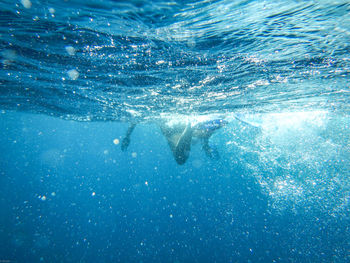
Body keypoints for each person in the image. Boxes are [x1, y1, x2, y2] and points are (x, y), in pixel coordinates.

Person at [120, 119, 227, 165]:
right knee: (181, 157)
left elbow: (136, 119)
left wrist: (127, 136)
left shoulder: (164, 124)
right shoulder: (164, 122)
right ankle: (191, 126)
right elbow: (136, 119)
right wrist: (127, 136)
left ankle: (191, 126)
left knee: (181, 159)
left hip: (174, 130)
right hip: (177, 130)